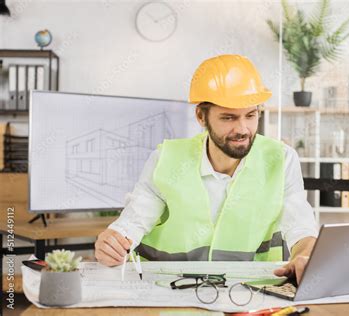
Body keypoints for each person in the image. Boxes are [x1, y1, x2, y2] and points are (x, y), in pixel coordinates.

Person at [95, 54, 317, 283]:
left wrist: (305, 256)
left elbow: (301, 226)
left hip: (252, 293)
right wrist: (113, 242)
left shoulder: (282, 159)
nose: (243, 129)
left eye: (251, 115)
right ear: (201, 116)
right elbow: (132, 223)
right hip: (169, 291)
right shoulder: (166, 160)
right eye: (228, 118)